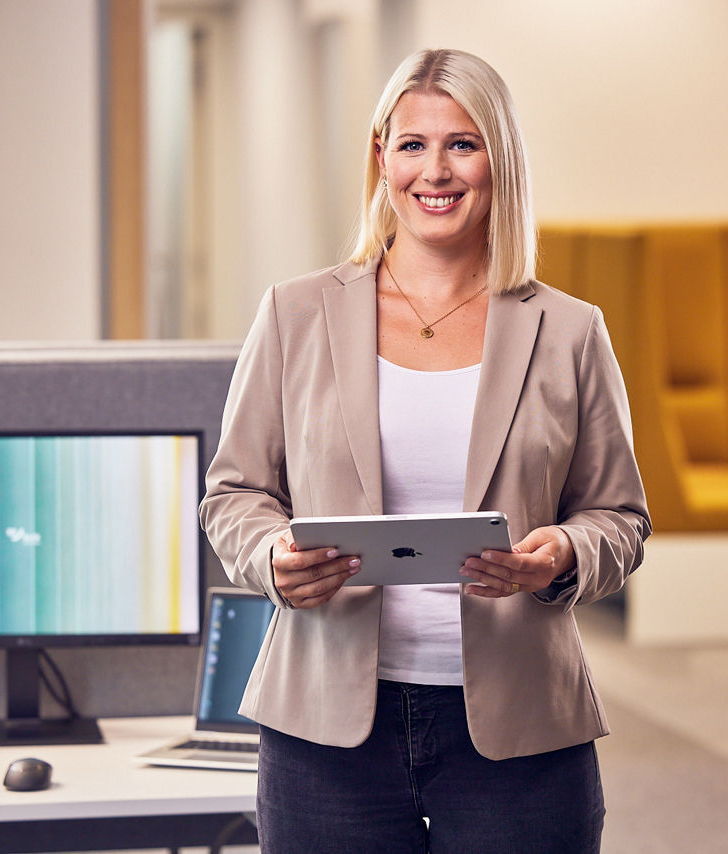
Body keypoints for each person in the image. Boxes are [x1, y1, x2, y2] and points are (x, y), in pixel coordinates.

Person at [199, 48, 650, 853]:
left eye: (463, 144)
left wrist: (564, 554)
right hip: (327, 729)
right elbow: (233, 491)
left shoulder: (570, 329)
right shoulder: (296, 313)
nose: (435, 171)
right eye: (412, 145)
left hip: (518, 730)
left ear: (499, 159)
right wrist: (271, 554)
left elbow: (619, 515)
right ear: (381, 157)